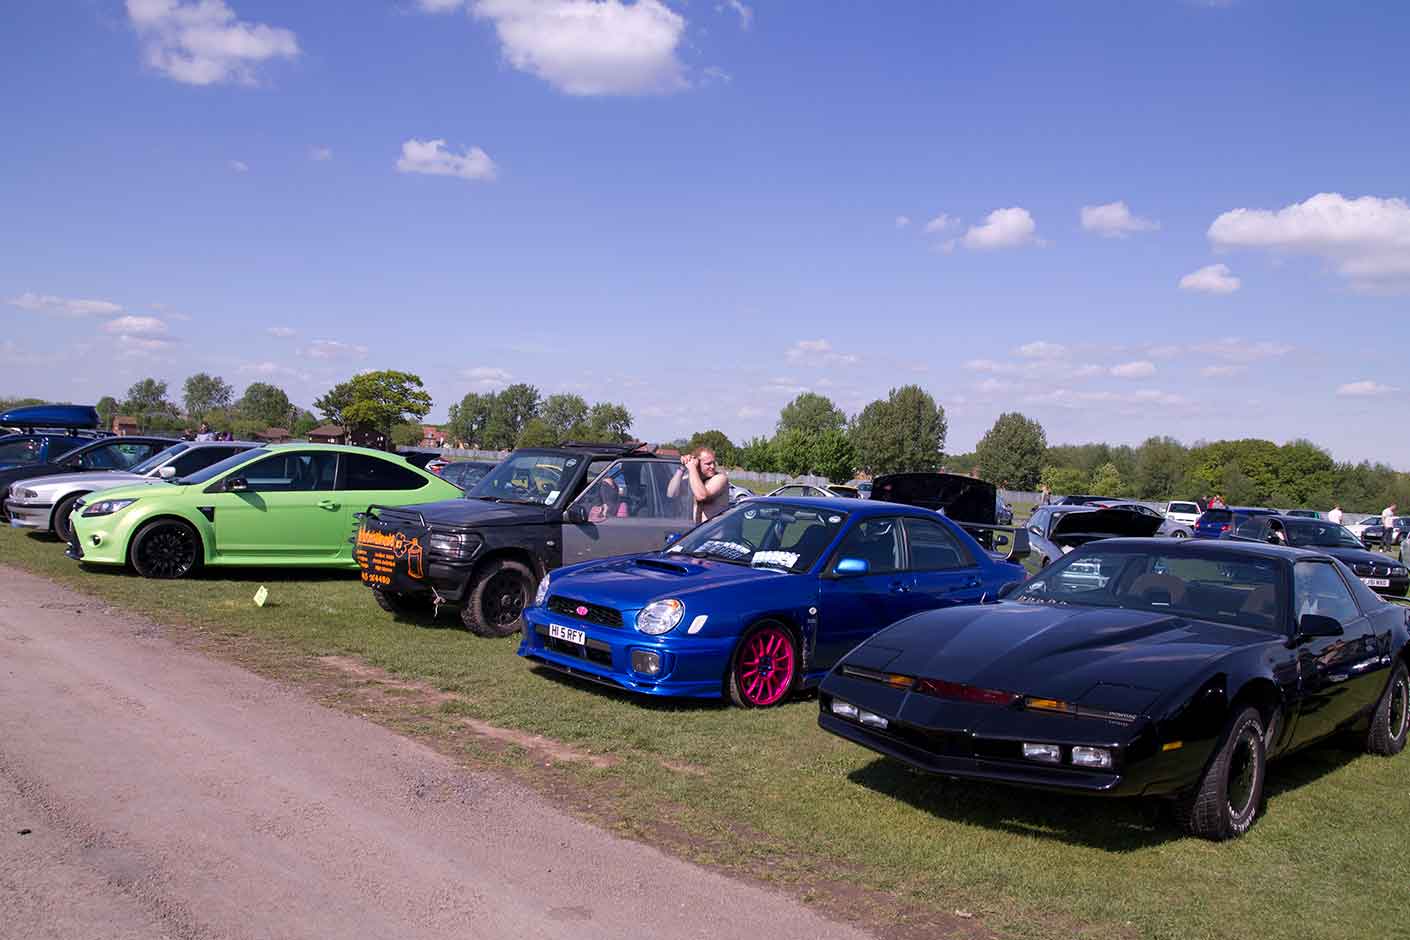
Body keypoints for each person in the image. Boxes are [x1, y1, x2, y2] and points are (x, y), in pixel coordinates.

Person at [667, 447, 730, 522]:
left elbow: (701, 496)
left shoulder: (720, 478)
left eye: (714, 463)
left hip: (713, 528)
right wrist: (682, 468)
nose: (712, 466)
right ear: (697, 463)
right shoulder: (690, 478)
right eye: (708, 464)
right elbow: (671, 494)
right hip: (692, 528)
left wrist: (692, 467)